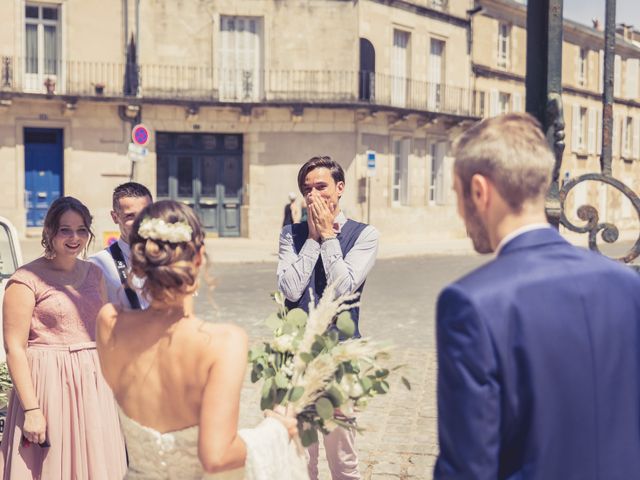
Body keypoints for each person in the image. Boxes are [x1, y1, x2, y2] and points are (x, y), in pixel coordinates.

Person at [434, 113, 640, 479]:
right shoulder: (627, 285)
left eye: (457, 193)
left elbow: (468, 467)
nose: (459, 211)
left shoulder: (470, 304)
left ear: (479, 191)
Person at [96, 200, 308, 479]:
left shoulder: (109, 322)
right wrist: (275, 431)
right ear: (198, 258)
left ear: (138, 259)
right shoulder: (224, 343)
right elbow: (216, 457)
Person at [1, 196, 126, 479]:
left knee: (96, 462)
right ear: (50, 232)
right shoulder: (26, 279)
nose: (75, 238)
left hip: (93, 383)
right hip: (48, 384)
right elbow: (15, 348)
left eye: (82, 230)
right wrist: (32, 409)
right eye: (65, 230)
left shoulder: (94, 273)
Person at [277, 155, 379, 480]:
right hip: (297, 361)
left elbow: (344, 287)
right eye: (307, 189)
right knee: (299, 459)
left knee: (343, 460)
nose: (313, 195)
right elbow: (291, 290)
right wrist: (312, 239)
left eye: (320, 187)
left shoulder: (364, 235)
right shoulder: (290, 235)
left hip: (340, 360)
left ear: (339, 188)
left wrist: (330, 238)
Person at [89, 182, 153, 310]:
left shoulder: (170, 257)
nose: (140, 222)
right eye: (130, 216)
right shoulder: (97, 265)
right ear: (115, 217)